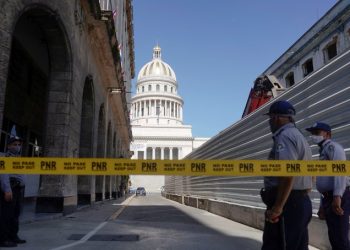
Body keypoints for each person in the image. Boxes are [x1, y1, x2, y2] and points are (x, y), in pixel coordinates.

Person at [261, 100, 313, 250]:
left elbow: (287, 173)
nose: (270, 122)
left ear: (277, 118)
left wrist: (278, 207)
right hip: (300, 200)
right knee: (297, 245)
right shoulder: (299, 136)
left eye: (271, 118)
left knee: (278, 245)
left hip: (288, 203)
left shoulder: (284, 136)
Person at [306, 122, 350, 250]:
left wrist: (337, 197)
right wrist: (322, 205)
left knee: (340, 237)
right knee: (334, 236)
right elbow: (324, 181)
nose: (314, 136)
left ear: (328, 134)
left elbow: (340, 172)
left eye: (317, 133)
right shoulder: (323, 151)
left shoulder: (333, 148)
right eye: (313, 133)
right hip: (328, 198)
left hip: (338, 197)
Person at [0, 134, 26, 247]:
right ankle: (3, 239)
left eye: (19, 145)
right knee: (6, 215)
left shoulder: (19, 159)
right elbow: (3, 175)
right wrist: (7, 190)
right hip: (10, 188)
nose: (17, 146)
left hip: (19, 190)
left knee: (16, 214)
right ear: (9, 146)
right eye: (14, 144)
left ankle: (13, 236)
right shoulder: (5, 158)